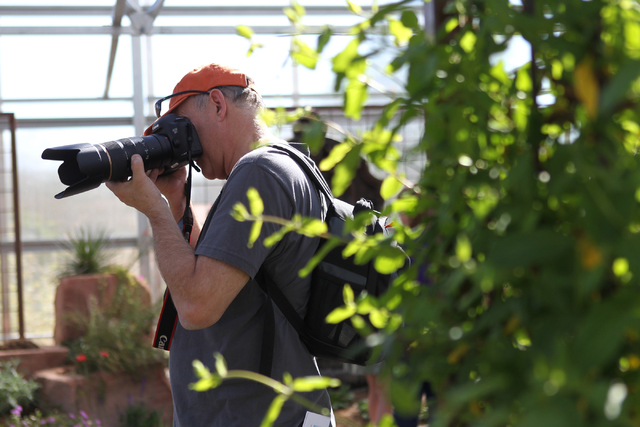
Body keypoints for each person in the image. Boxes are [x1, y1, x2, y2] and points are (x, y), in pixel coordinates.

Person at [106, 63, 334, 427]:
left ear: (216, 104)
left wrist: (155, 211)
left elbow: (198, 304)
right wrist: (176, 205)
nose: (183, 147)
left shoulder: (260, 171)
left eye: (182, 128)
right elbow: (216, 275)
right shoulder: (288, 164)